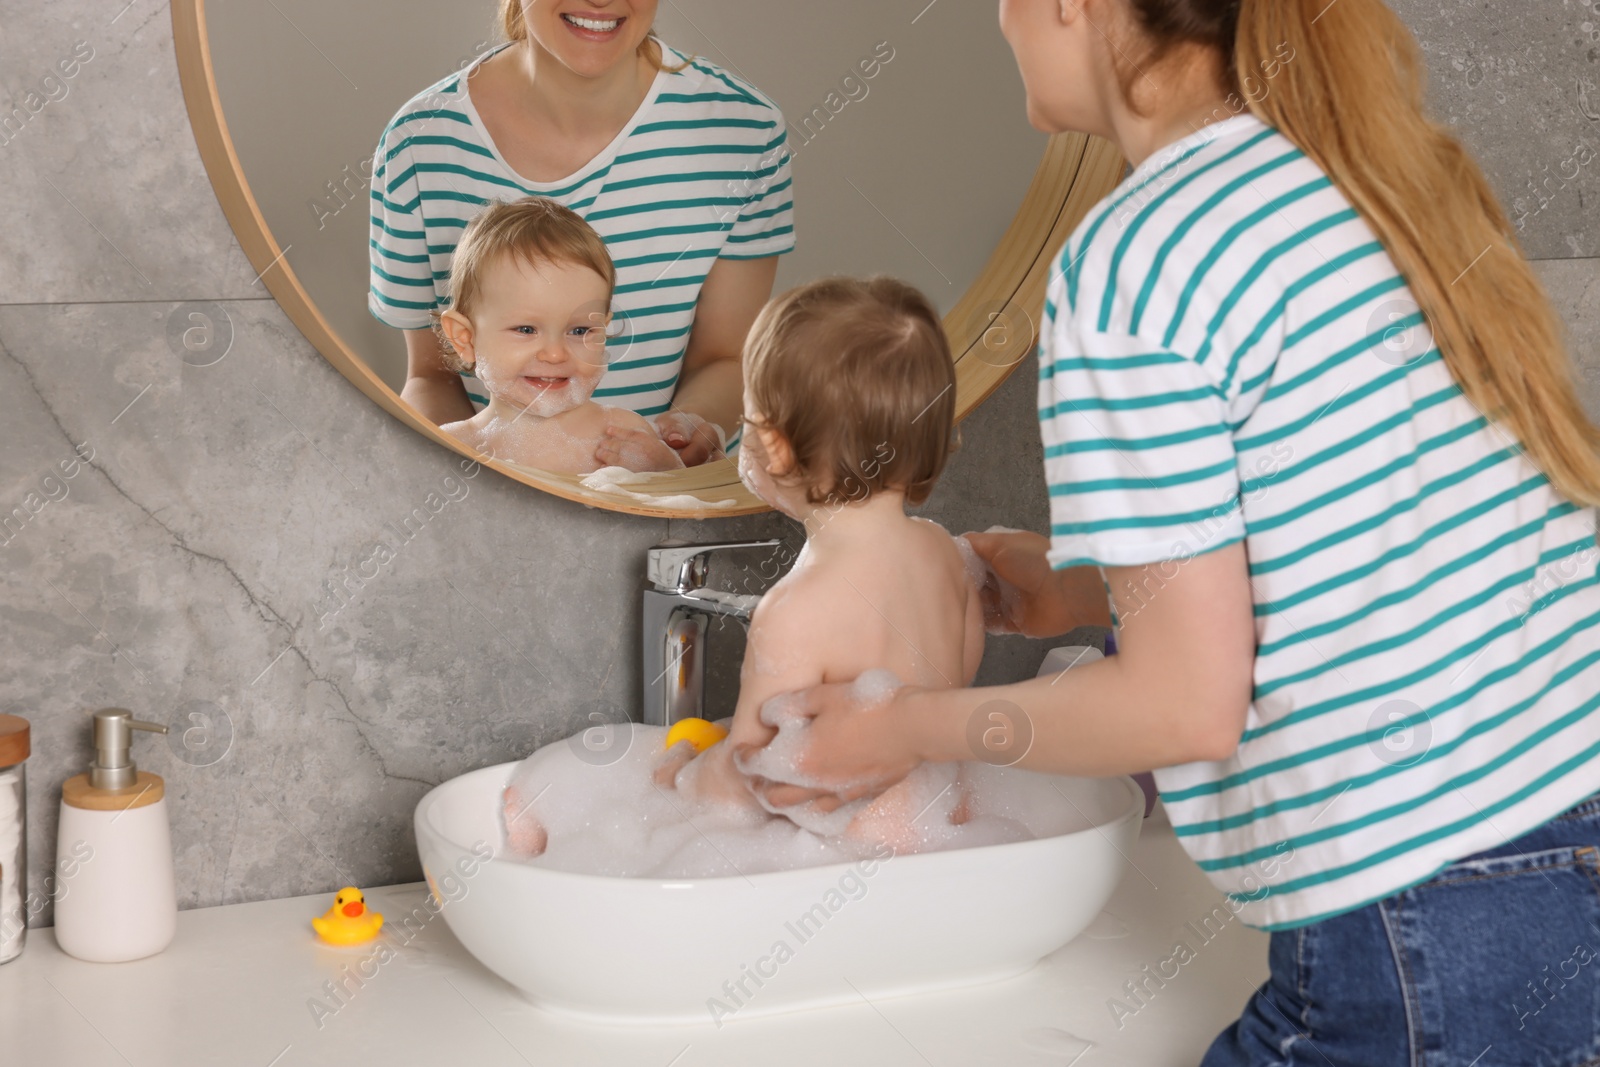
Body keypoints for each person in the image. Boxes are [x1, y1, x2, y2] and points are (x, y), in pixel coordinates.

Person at [735, 1, 1600, 1063]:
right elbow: (1370, 538)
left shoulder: (1140, 253)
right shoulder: (1365, 176)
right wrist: (1094, 592)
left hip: (1430, 907)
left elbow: (1183, 708)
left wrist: (899, 724)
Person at [369, 0, 794, 467]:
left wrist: (687, 435)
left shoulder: (745, 131)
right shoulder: (419, 141)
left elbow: (727, 358)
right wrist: (475, 486)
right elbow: (433, 376)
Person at [651, 276, 985, 853]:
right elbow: (954, 694)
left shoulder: (796, 608)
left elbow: (752, 775)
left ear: (774, 446)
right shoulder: (945, 555)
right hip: (943, 828)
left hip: (842, 856)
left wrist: (680, 774)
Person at [434, 197, 683, 473]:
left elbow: (681, 510)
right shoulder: (452, 446)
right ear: (465, 338)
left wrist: (664, 468)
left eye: (579, 331)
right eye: (526, 330)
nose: (555, 353)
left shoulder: (625, 435)